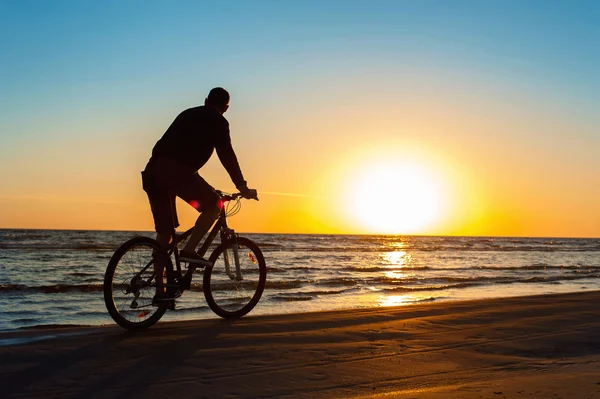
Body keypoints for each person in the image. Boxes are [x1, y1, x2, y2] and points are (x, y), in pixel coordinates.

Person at [142, 87, 258, 301]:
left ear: (206, 101)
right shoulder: (218, 122)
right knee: (215, 205)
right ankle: (189, 250)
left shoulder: (187, 113)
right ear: (226, 107)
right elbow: (227, 155)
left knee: (165, 235)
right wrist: (242, 187)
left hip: (153, 172)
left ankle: (160, 292)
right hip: (177, 173)